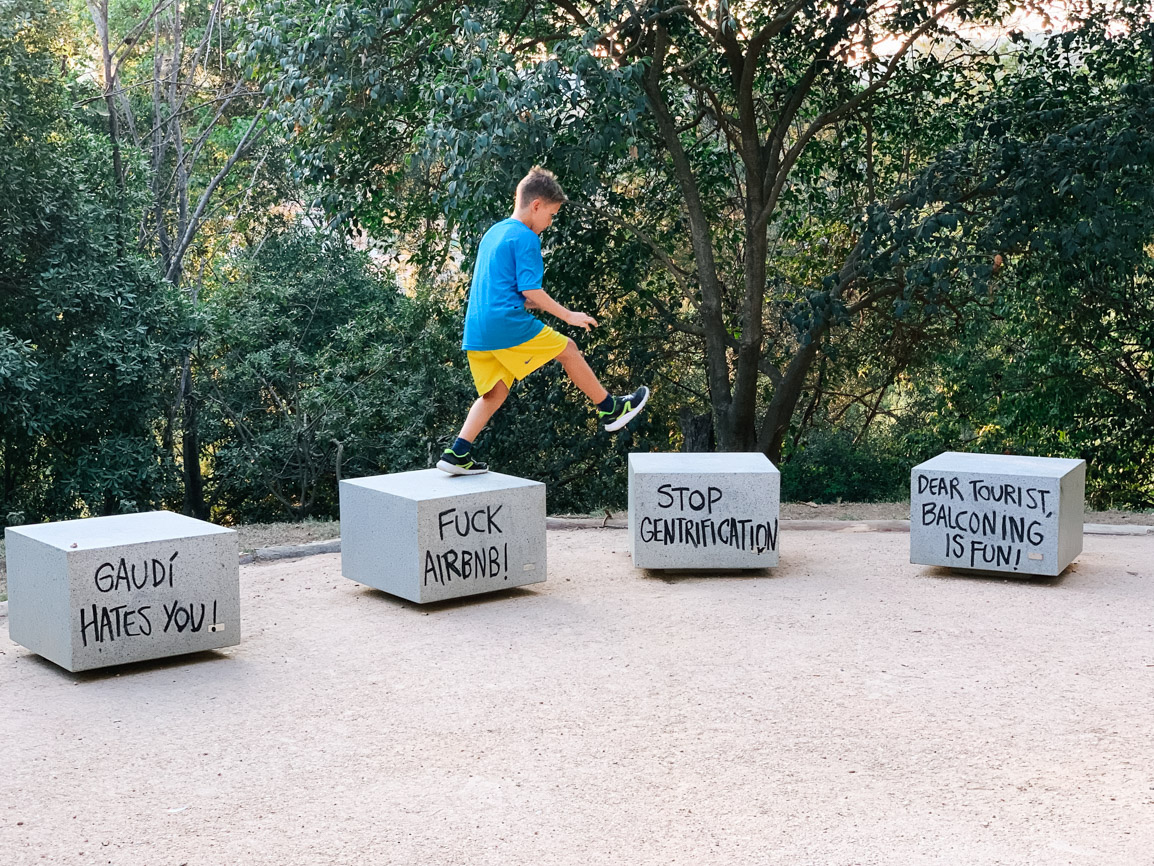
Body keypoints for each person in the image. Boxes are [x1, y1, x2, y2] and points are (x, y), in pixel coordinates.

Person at [437, 166, 649, 475]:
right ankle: (611, 409)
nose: (548, 224)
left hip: (477, 331)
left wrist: (533, 306)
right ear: (536, 205)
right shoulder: (525, 237)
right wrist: (568, 315)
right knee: (569, 349)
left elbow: (505, 290)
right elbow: (531, 290)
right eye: (550, 216)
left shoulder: (494, 233)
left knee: (494, 393)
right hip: (505, 324)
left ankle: (457, 453)